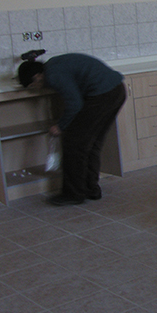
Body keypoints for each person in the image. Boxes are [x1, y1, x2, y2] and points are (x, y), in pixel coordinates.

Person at [18, 53, 126, 206]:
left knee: (73, 144)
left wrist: (60, 126)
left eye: (32, 85)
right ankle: (90, 189)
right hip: (117, 90)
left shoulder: (53, 75)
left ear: (36, 77)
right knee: (91, 143)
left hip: (102, 95)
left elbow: (75, 104)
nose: (35, 88)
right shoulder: (53, 66)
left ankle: (73, 194)